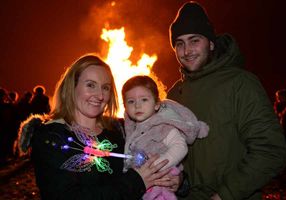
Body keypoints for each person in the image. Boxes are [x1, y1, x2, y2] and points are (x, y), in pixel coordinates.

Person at [167, 2, 286, 200]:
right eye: (179, 43)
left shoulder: (240, 84)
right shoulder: (173, 95)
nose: (186, 50)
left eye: (194, 40)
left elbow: (271, 151)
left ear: (211, 43)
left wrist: (225, 195)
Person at [18, 54, 178, 200]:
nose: (100, 95)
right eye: (90, 85)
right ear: (72, 87)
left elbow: (160, 153)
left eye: (106, 87)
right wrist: (137, 181)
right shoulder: (51, 136)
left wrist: (176, 179)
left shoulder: (121, 129)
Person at [121, 75, 209, 200]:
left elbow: (180, 147)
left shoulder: (163, 126)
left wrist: (157, 165)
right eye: (131, 101)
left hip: (161, 182)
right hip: (141, 185)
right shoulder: (131, 129)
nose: (137, 106)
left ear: (157, 104)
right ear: (125, 106)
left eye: (144, 100)